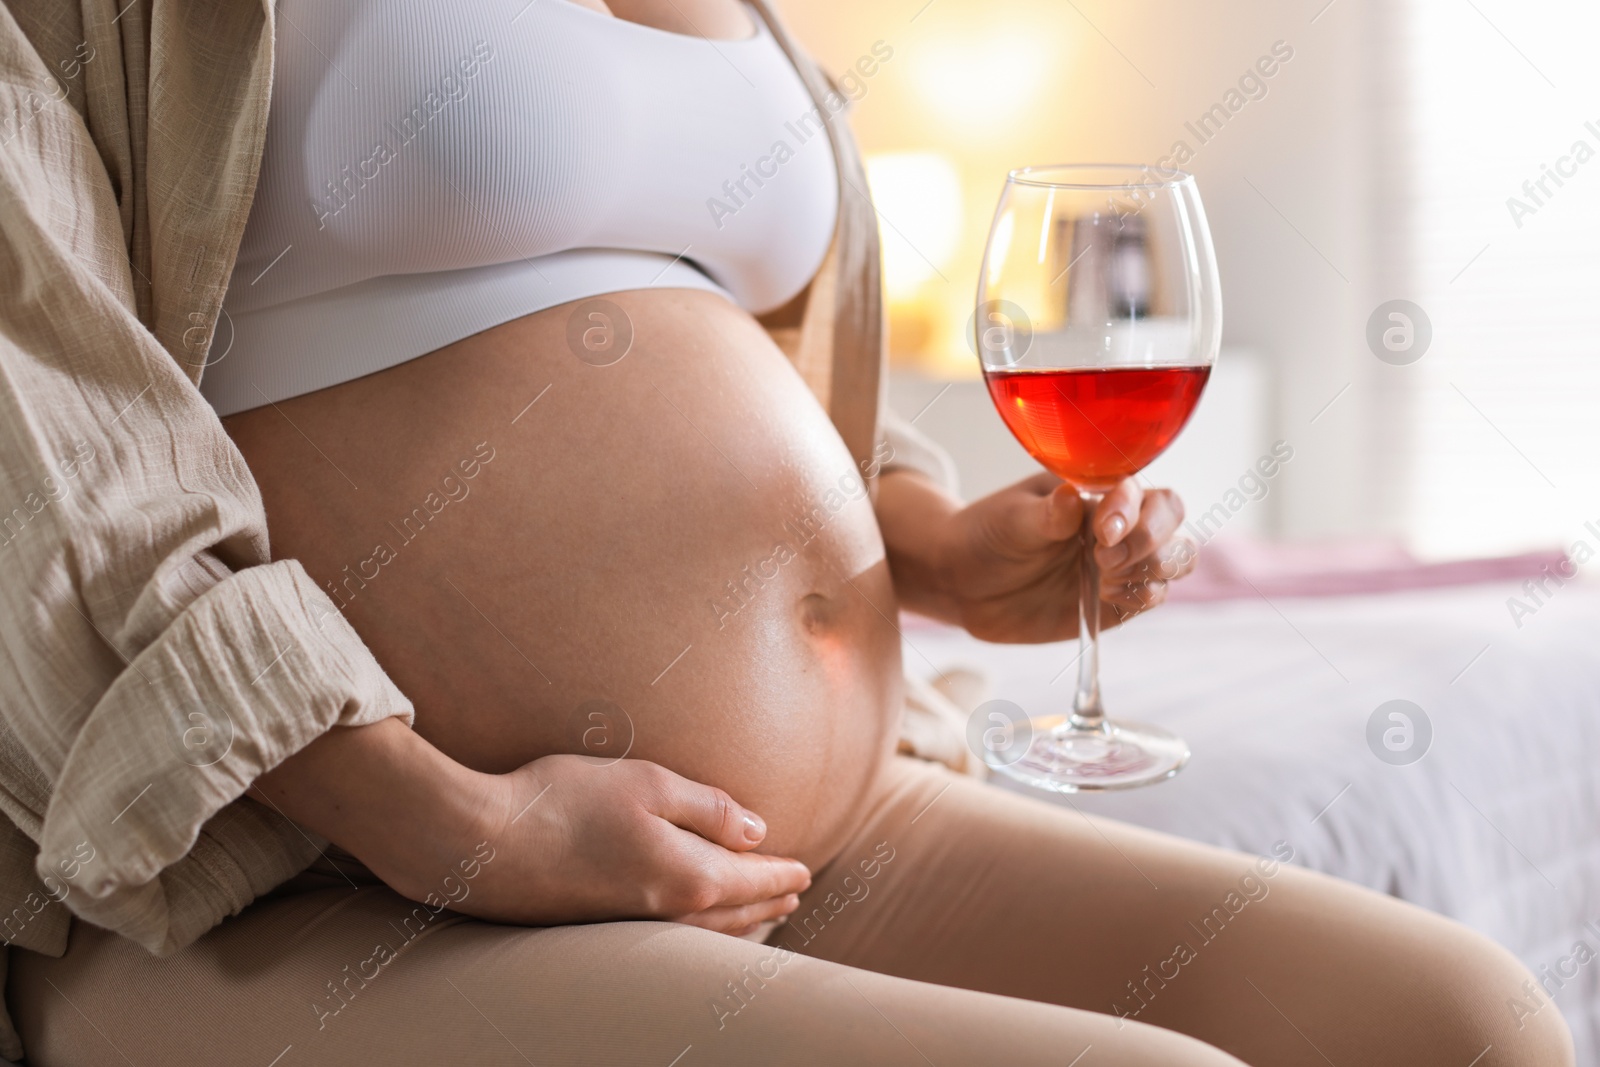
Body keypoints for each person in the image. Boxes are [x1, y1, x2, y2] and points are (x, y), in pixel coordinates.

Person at [0, 0, 1573, 1063]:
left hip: (814, 831)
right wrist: (454, 821)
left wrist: (928, 545)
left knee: (1462, 1024)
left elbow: (764, 337)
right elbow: (47, 425)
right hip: (317, 873)